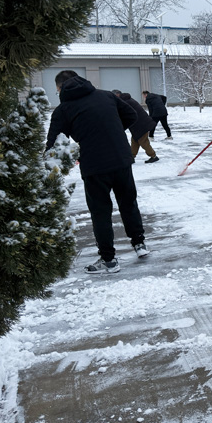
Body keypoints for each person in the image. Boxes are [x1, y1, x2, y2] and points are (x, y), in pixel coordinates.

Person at [46, 71, 150, 274]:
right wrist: (110, 131)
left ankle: (109, 260)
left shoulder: (63, 109)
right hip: (121, 158)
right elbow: (131, 115)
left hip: (94, 165)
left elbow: (53, 145)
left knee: (100, 212)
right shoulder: (106, 95)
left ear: (60, 88)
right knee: (128, 202)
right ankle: (139, 244)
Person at [112, 90, 159, 164]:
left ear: (117, 95)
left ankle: (153, 156)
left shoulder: (125, 102)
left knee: (143, 141)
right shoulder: (126, 100)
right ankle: (131, 157)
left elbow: (123, 114)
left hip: (141, 124)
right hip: (138, 125)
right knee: (135, 141)